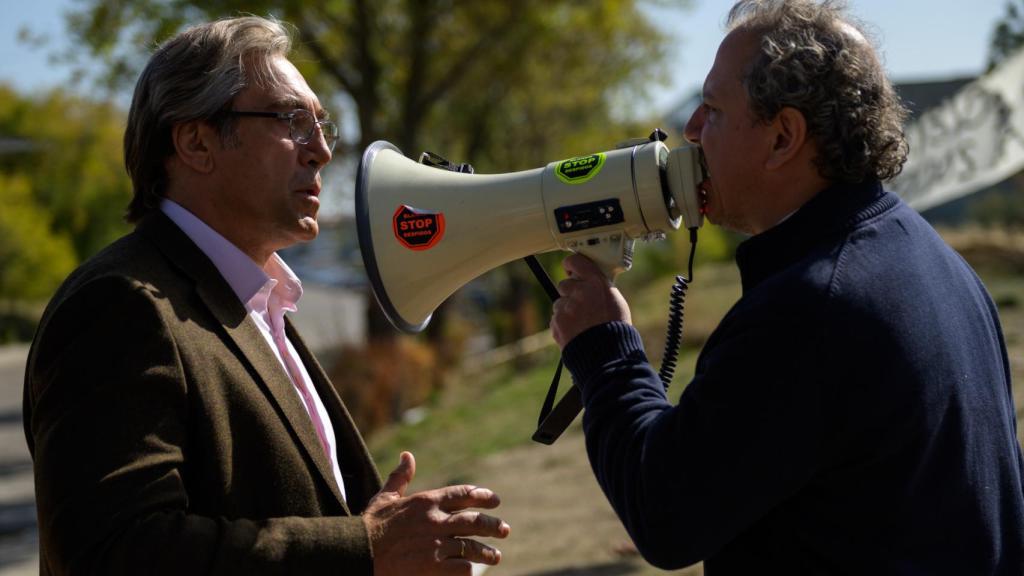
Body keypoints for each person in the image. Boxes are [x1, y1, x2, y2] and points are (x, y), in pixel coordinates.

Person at [23, 16, 509, 575]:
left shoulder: (255, 300)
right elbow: (111, 553)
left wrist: (375, 538)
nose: (322, 151)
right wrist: (363, 548)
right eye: (292, 121)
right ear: (196, 141)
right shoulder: (119, 306)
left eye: (322, 126)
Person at [550, 1, 1024, 574]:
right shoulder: (932, 261)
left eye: (714, 110)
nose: (691, 131)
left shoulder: (812, 311)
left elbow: (666, 513)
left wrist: (605, 351)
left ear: (784, 138)